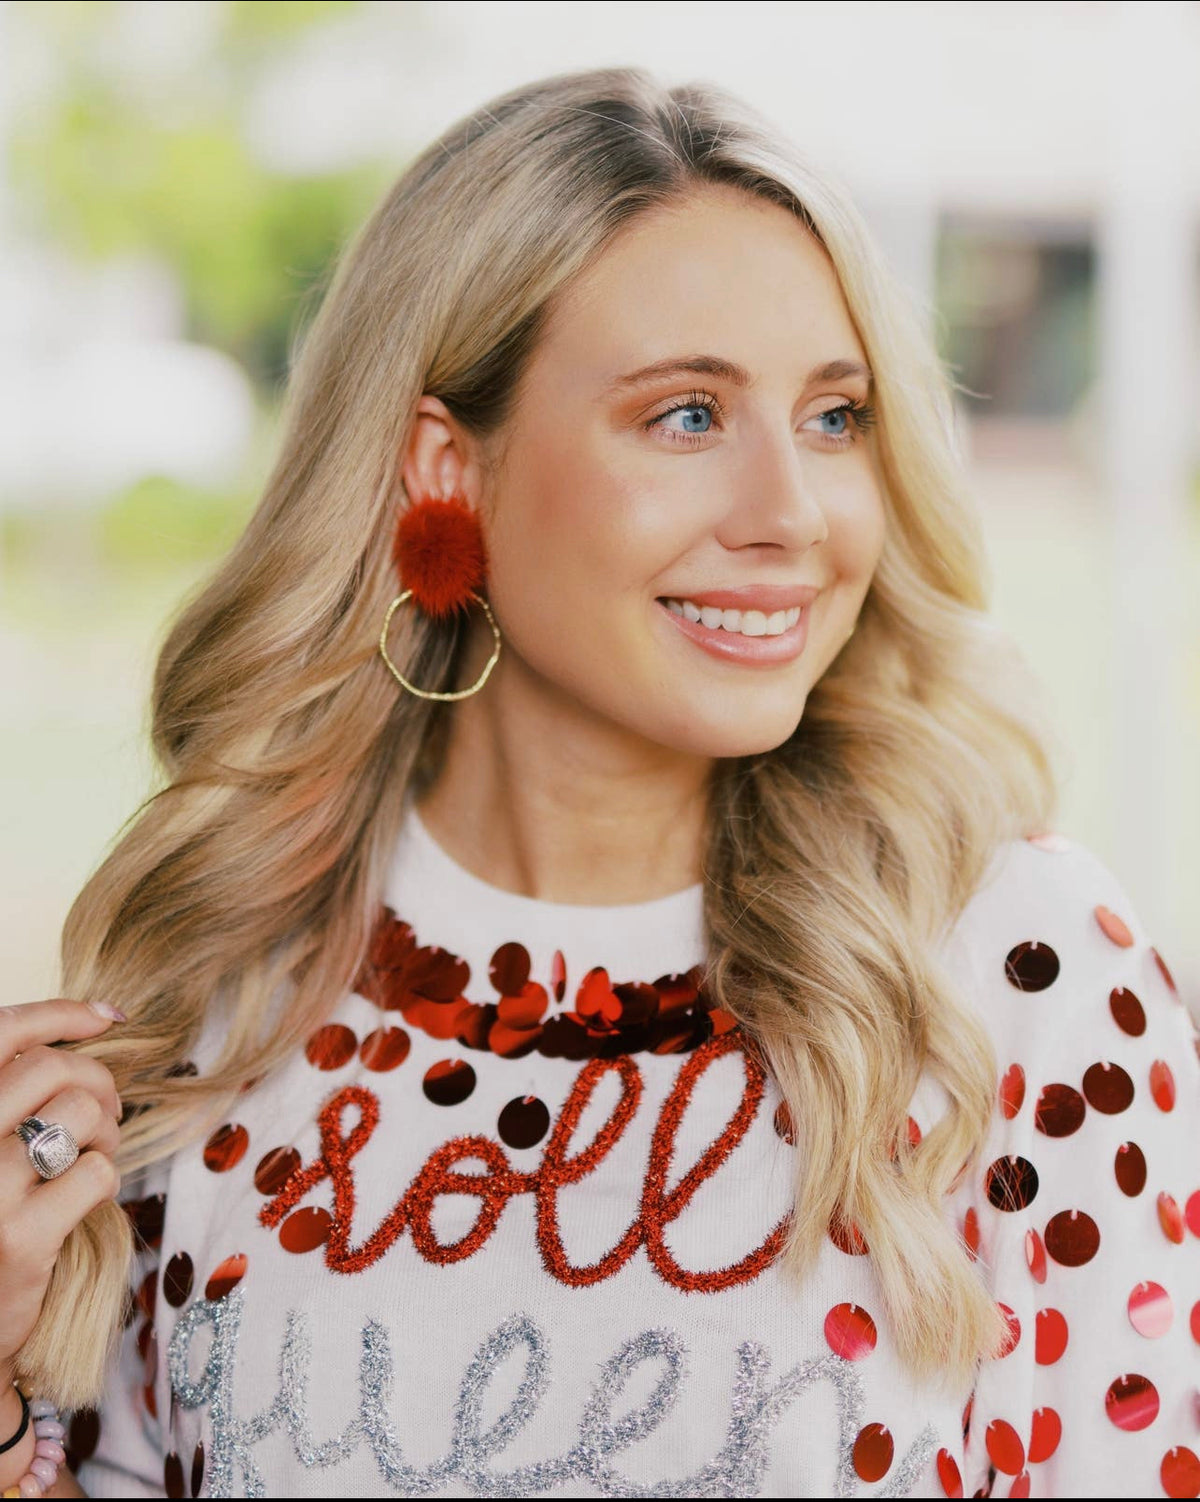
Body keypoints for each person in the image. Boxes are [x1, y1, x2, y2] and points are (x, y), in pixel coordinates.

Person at [1, 64, 1196, 1501]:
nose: (791, 516)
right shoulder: (224, 986)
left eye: (835, 416)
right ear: (446, 469)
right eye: (688, 416)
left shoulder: (1014, 978)